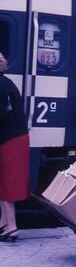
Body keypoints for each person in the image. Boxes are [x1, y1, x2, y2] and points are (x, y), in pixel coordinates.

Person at [0, 52, 30, 242]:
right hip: (12, 138)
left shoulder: (1, 85)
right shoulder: (5, 82)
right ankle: (3, 223)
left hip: (11, 140)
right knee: (2, 182)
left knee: (6, 184)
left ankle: (12, 227)